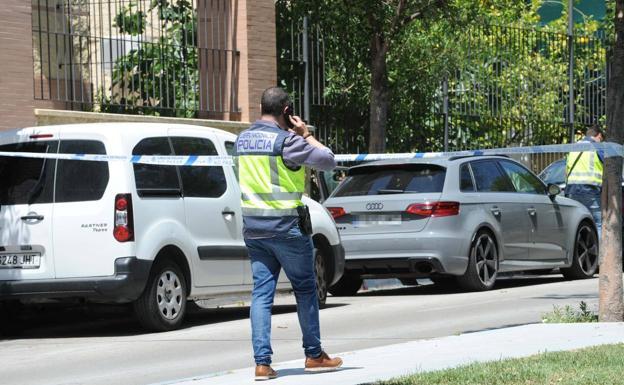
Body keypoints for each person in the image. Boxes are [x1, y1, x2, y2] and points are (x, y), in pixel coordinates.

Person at [235, 87, 342, 381]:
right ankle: (314, 354)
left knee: (261, 294)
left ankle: (262, 364)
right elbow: (329, 160)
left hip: (255, 229)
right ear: (286, 112)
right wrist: (305, 134)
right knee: (305, 288)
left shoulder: (242, 140)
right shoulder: (288, 141)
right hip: (287, 229)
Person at [565, 125, 605, 236]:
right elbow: (608, 165)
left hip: (571, 191)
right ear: (599, 135)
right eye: (601, 139)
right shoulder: (597, 146)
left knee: (577, 225)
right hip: (589, 191)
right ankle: (597, 252)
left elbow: (566, 170)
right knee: (597, 224)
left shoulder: (574, 147)